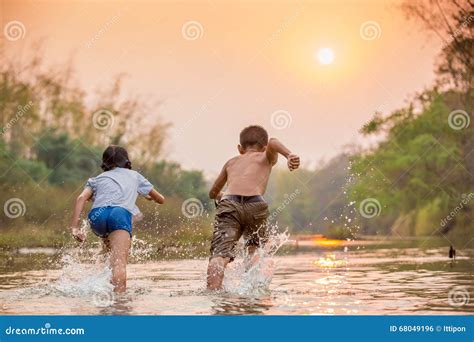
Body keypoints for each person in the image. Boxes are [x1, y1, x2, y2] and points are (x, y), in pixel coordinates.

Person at [206, 125, 300, 290]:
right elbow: (273, 141)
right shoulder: (266, 157)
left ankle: (212, 294)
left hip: (229, 204)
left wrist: (224, 195)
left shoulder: (231, 162)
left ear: (240, 148)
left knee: (219, 255)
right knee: (254, 249)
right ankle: (252, 291)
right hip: (256, 205)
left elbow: (213, 193)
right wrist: (289, 155)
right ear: (264, 148)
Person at [69, 145, 164, 293]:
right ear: (126, 161)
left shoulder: (97, 179)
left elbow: (81, 198)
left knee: (108, 254)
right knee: (120, 264)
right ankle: (119, 305)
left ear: (104, 162)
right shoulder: (135, 176)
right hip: (119, 215)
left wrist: (74, 228)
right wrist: (148, 196)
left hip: (97, 216)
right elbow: (161, 199)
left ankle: (105, 292)